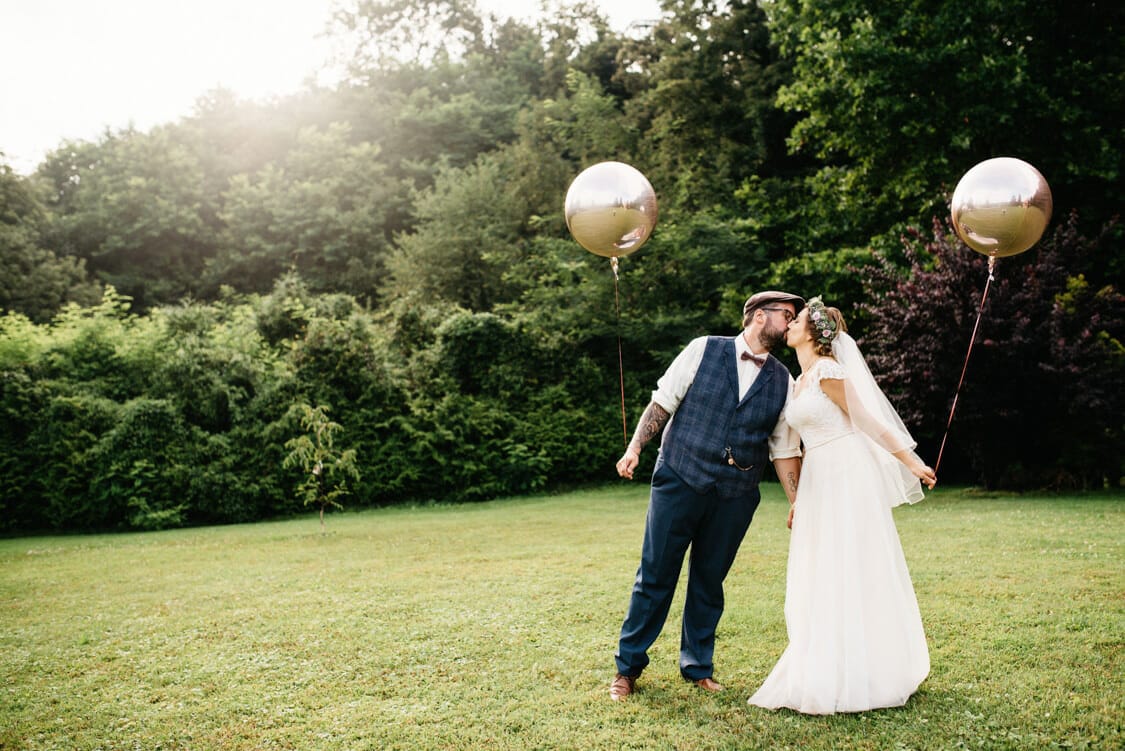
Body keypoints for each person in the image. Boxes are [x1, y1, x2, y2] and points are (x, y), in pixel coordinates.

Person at [610, 291, 806, 701]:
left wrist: (796, 501)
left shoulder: (784, 381)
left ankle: (697, 666)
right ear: (756, 316)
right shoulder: (703, 349)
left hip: (735, 496)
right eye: (785, 315)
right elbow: (663, 402)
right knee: (655, 575)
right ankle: (627, 669)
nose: (790, 323)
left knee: (708, 581)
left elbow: (784, 449)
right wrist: (635, 449)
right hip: (679, 478)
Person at [748, 297, 936, 715]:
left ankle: (867, 669)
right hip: (819, 480)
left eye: (795, 320)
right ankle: (824, 661)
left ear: (813, 333)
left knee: (849, 565)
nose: (789, 326)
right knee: (819, 568)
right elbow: (791, 444)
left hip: (847, 475)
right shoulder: (798, 381)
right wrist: (798, 498)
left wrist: (911, 459)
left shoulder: (829, 372)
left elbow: (869, 421)